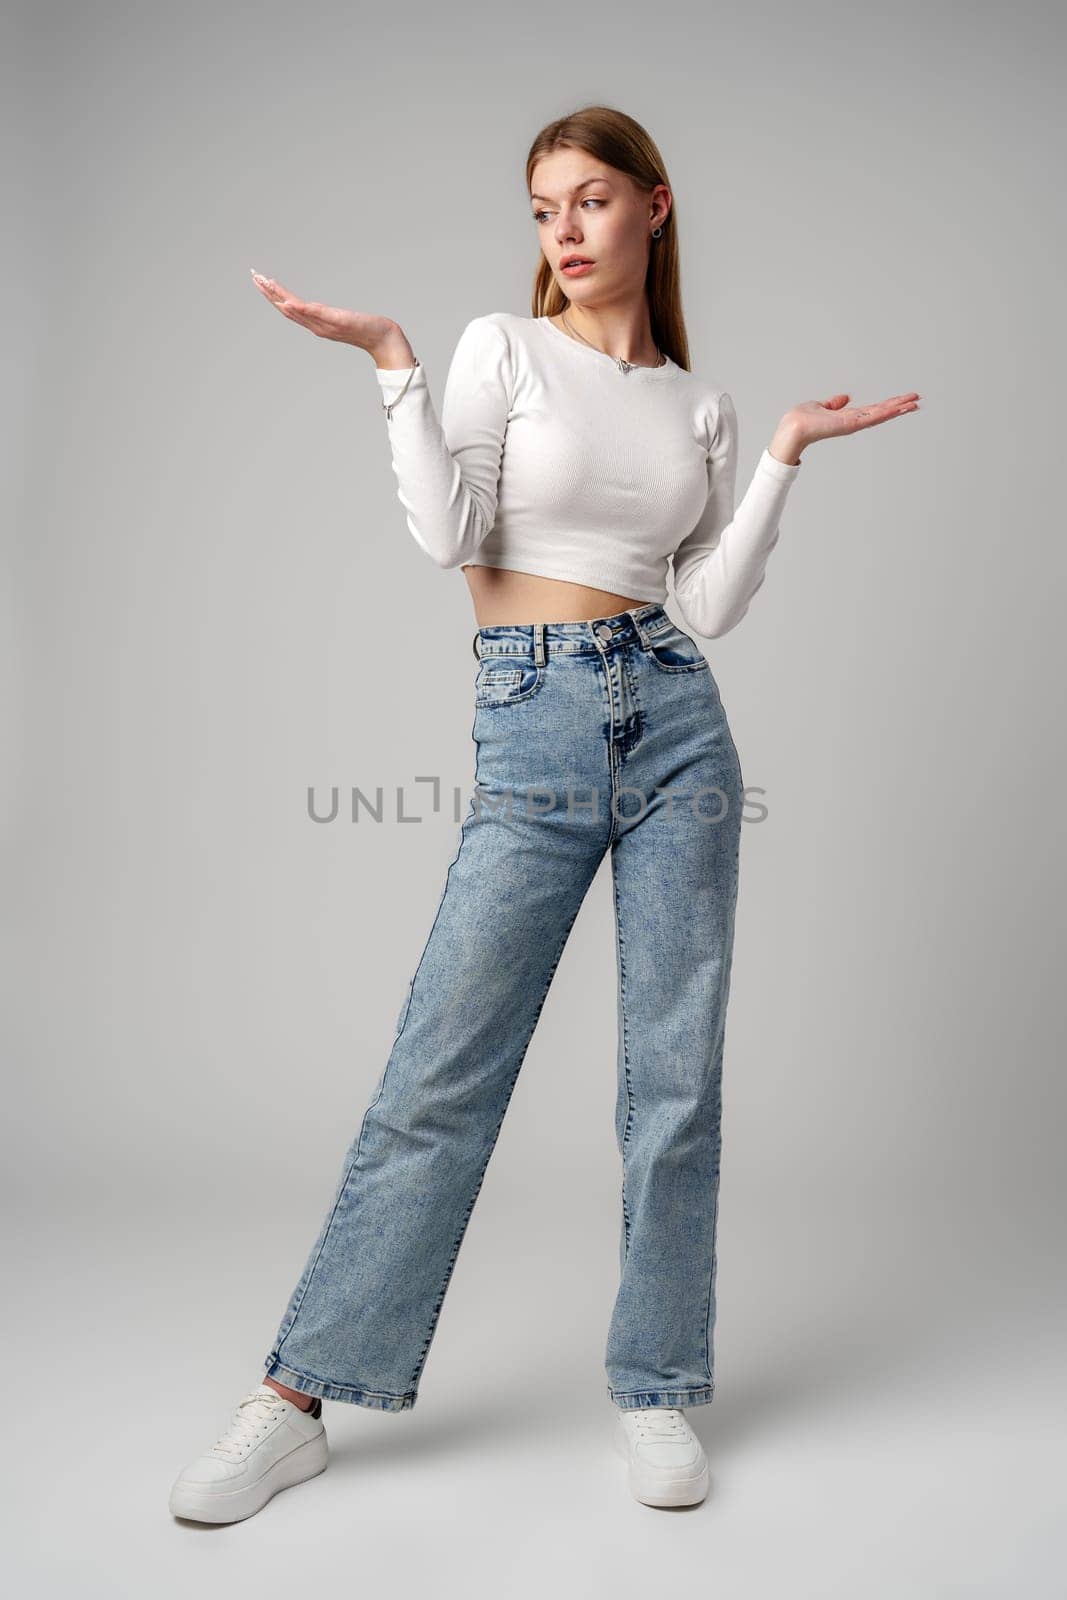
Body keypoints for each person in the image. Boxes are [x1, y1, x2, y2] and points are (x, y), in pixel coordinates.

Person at [169, 104, 919, 1524]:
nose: (562, 234)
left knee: (675, 1080)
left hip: (679, 718)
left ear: (655, 206)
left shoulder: (695, 400)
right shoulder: (498, 350)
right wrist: (392, 363)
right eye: (539, 211)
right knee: (442, 1076)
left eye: (586, 202)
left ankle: (655, 1386)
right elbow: (452, 537)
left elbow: (698, 607)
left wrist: (782, 457)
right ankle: (295, 1400)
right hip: (538, 715)